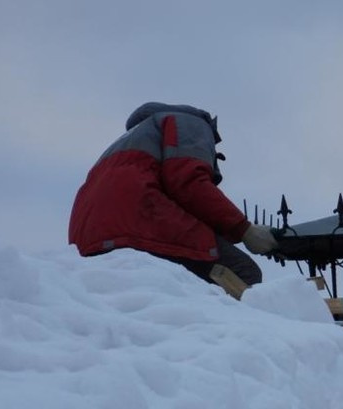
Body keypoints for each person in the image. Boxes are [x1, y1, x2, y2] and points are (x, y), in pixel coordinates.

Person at [69, 102, 278, 289]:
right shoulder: (192, 123)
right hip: (140, 220)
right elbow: (189, 183)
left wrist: (227, 233)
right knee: (244, 272)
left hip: (88, 239)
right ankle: (235, 323)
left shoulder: (127, 141)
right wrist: (244, 230)